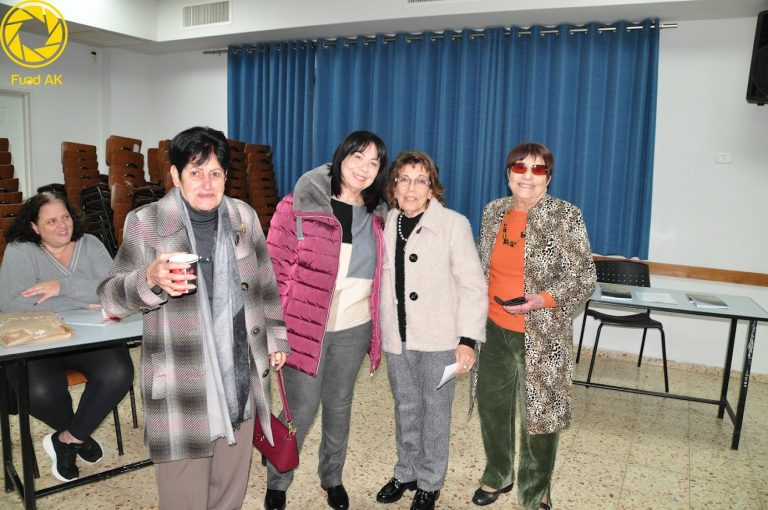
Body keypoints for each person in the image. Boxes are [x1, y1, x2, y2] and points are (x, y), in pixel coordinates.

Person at [98, 126, 289, 510]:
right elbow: (109, 297)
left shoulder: (243, 216)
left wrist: (276, 338)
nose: (206, 183)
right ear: (175, 174)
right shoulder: (147, 222)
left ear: (226, 176)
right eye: (195, 172)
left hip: (239, 379)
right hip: (182, 387)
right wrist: (149, 278)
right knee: (183, 498)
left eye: (215, 173)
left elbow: (265, 283)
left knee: (229, 495)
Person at [265, 130, 389, 510]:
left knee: (339, 405)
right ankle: (278, 480)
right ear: (340, 158)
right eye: (357, 157)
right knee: (300, 409)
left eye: (374, 163)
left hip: (354, 329)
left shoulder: (379, 214)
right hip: (304, 327)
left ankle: (332, 477)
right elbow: (273, 271)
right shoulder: (299, 204)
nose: (364, 168)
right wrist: (273, 334)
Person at [471, 142, 596, 510]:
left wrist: (543, 299)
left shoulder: (565, 216)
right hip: (492, 330)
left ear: (548, 177)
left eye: (538, 169)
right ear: (508, 173)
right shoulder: (493, 211)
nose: (527, 176)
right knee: (492, 409)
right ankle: (498, 474)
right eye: (519, 167)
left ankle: (535, 490)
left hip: (542, 333)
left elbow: (584, 276)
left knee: (540, 415)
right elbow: (480, 267)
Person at [375, 152, 487, 510]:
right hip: (398, 337)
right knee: (406, 407)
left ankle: (429, 482)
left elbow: (473, 286)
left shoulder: (454, 225)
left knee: (435, 412)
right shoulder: (386, 222)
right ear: (393, 186)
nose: (411, 188)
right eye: (404, 179)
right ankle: (406, 472)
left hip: (441, 340)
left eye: (420, 180)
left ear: (432, 188)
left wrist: (467, 340)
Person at [0, 192, 134, 482]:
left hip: (89, 337)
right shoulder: (20, 250)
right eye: (50, 221)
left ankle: (68, 439)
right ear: (34, 227)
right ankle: (79, 434)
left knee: (118, 373)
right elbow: (11, 304)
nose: (62, 225)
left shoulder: (90, 244)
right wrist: (86, 300)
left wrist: (60, 287)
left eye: (65, 217)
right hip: (40, 338)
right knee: (38, 391)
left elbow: (113, 289)